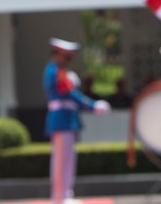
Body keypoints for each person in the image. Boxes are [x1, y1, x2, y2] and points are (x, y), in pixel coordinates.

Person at [43, 37, 110, 204]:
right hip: (61, 120)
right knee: (61, 162)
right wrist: (92, 105)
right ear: (58, 55)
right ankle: (59, 198)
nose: (67, 61)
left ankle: (65, 195)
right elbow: (70, 94)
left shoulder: (59, 70)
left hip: (67, 120)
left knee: (67, 160)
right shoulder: (55, 71)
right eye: (66, 57)